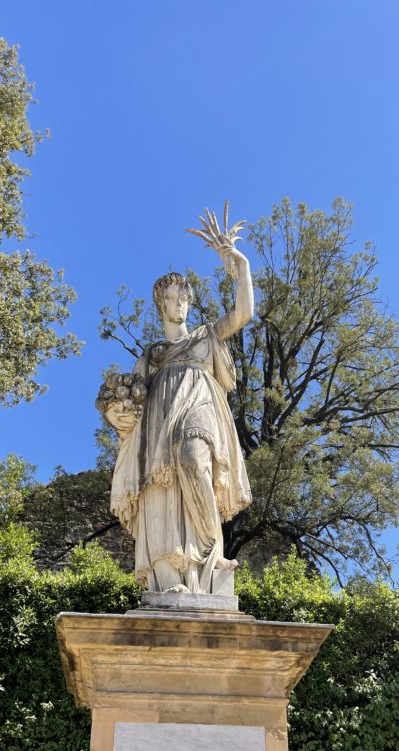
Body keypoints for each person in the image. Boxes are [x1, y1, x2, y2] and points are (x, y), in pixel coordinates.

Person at [106, 209, 253, 593]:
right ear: (161, 305)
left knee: (193, 459)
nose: (180, 304)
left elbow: (242, 313)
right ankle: (170, 574)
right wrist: (118, 415)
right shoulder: (152, 355)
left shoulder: (206, 336)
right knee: (161, 488)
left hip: (199, 405)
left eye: (184, 297)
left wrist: (240, 264)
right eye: (171, 298)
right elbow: (128, 408)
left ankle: (210, 551)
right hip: (159, 420)